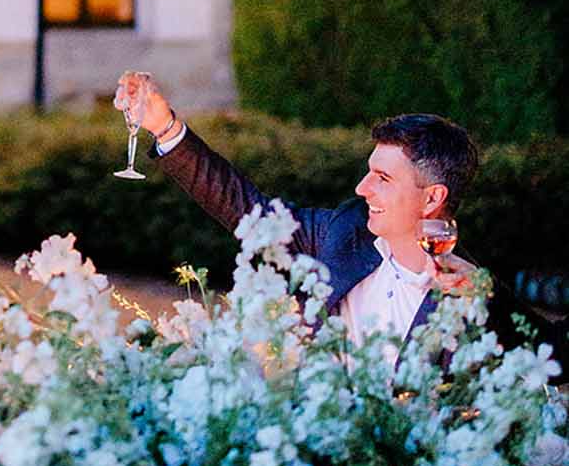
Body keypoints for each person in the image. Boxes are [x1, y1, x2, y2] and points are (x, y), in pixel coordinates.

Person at [114, 72, 554, 368]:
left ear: (432, 198)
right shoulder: (343, 233)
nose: (363, 189)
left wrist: (488, 298)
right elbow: (245, 209)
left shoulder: (472, 292)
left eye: (383, 178)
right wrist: (164, 126)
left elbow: (552, 357)